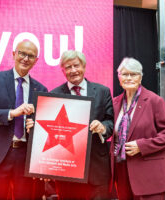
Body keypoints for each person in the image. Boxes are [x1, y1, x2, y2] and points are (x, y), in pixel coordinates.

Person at [0, 40, 48, 200]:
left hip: (25, 157)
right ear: (14, 54)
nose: (25, 58)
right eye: (22, 53)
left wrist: (35, 126)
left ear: (36, 61)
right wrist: (12, 113)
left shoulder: (41, 89)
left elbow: (44, 127)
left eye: (31, 56)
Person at [110, 57, 165, 200]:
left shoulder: (154, 101)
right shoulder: (115, 102)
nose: (128, 78)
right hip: (121, 171)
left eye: (133, 74)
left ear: (140, 77)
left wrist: (141, 146)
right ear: (119, 78)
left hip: (148, 173)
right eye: (124, 74)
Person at [51, 50, 114, 200]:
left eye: (76, 65)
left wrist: (103, 127)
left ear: (84, 66)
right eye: (68, 67)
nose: (73, 70)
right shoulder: (54, 94)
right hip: (66, 171)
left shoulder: (102, 91)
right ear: (62, 70)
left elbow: (111, 121)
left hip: (97, 169)